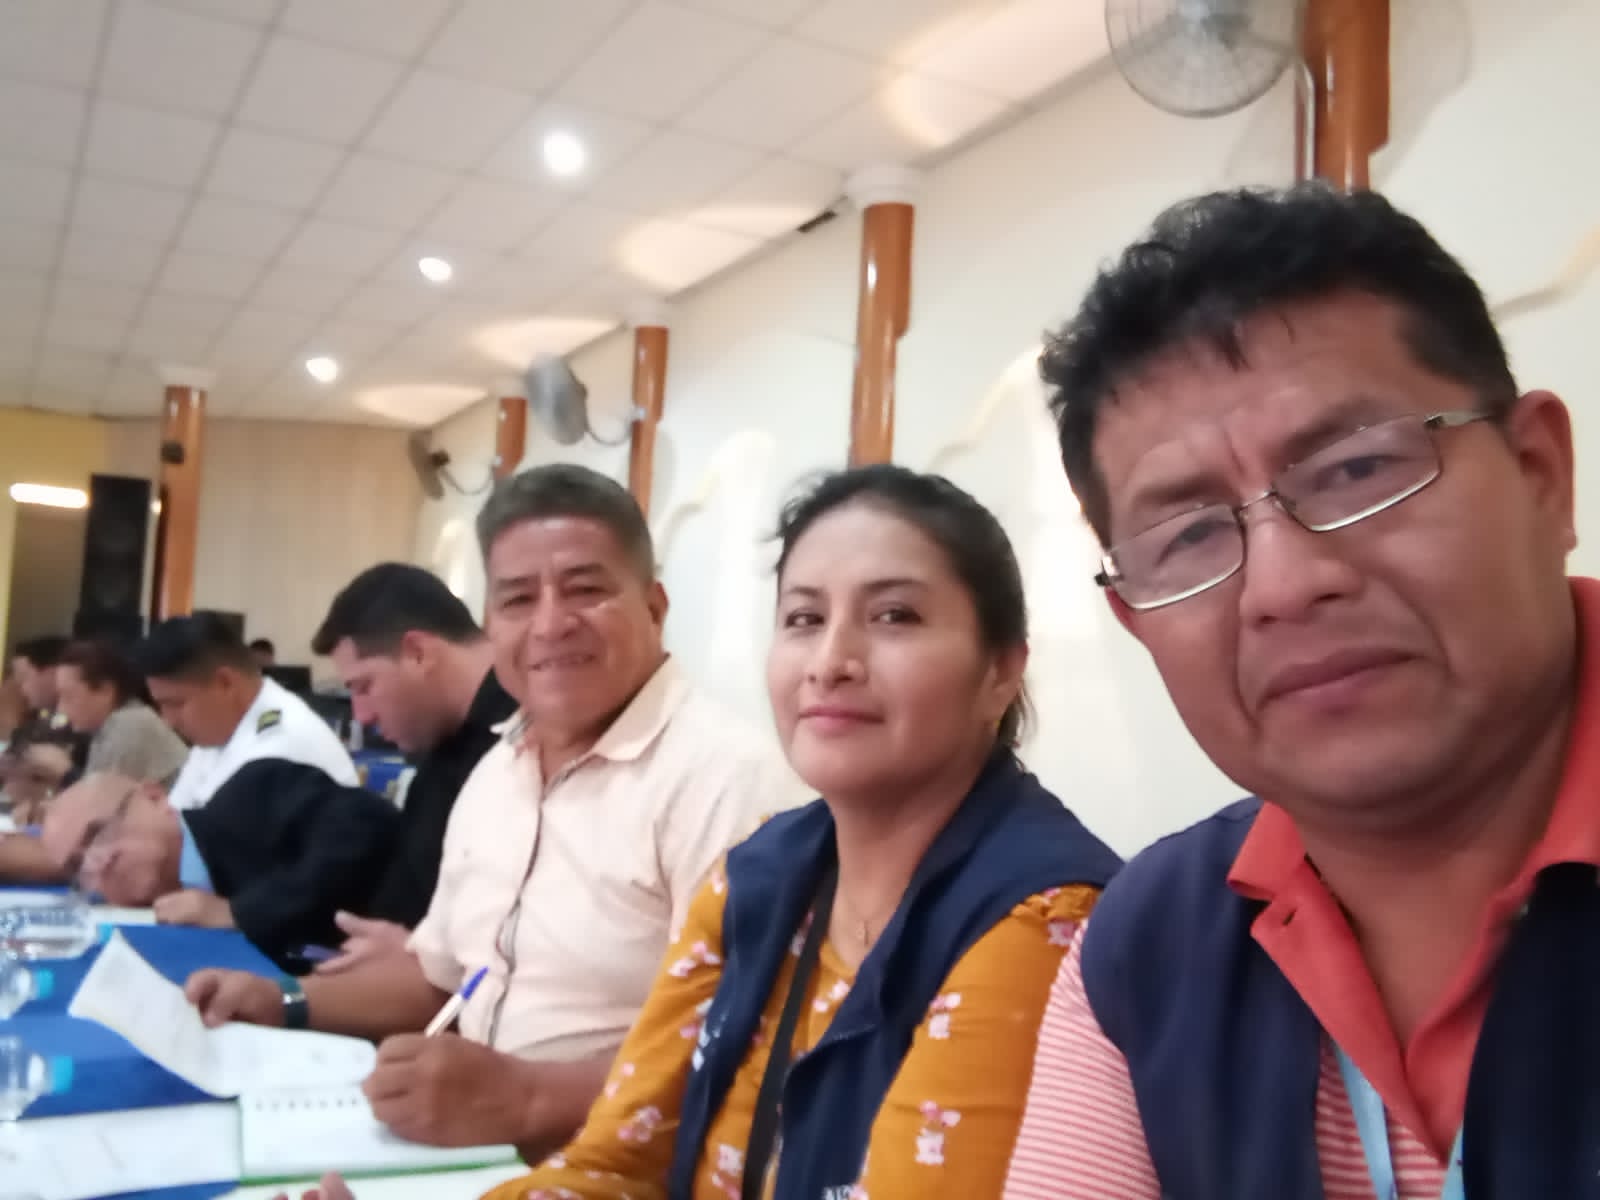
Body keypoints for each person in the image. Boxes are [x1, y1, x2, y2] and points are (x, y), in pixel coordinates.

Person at [1003, 183, 1596, 1199]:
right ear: (1135, 619)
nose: (1283, 585)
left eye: (1356, 469)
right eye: (1189, 534)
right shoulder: (1148, 949)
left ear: (1540, 473)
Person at [480, 464, 1122, 1200]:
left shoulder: (1044, 920)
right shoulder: (758, 879)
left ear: (1000, 674)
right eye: (804, 619)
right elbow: (615, 1166)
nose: (830, 663)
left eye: (894, 616)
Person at [184, 464, 793, 1160]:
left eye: (586, 589)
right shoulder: (496, 773)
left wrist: (529, 1097)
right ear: (490, 625)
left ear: (654, 607)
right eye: (518, 599)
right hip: (471, 1154)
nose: (550, 624)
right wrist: (281, 1002)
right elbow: (441, 979)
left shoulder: (730, 782)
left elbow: (762, 1053)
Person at [307, 562, 517, 970]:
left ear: (418, 653)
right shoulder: (443, 744)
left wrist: (423, 955)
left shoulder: (529, 738)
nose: (361, 715)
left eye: (364, 686)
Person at [41, 764, 398, 968]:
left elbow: (369, 827)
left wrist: (238, 913)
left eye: (100, 833)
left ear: (155, 798)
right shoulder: (145, 926)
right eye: (78, 864)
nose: (99, 862)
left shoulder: (256, 794)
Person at [139, 613, 357, 810]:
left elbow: (197, 835)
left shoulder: (283, 746)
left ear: (225, 683)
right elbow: (179, 815)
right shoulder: (218, 733)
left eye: (176, 704)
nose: (169, 721)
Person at [57, 639, 188, 788]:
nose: (61, 709)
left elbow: (101, 798)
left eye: (68, 696)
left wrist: (63, 771)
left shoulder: (129, 725)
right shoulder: (113, 726)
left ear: (106, 691)